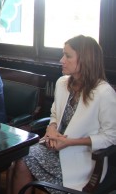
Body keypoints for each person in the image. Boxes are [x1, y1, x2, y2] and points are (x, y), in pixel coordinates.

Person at [7, 35, 116, 194]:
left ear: (86, 59)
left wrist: (70, 142)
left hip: (83, 160)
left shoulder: (104, 92)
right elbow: (55, 113)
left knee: (24, 159)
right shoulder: (62, 83)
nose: (61, 60)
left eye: (68, 56)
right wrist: (51, 128)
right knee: (20, 156)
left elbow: (111, 136)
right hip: (54, 149)